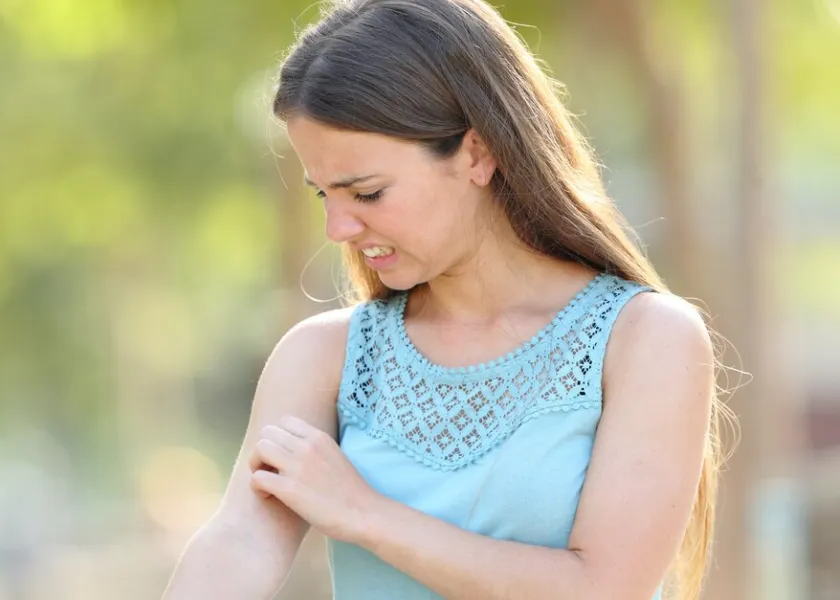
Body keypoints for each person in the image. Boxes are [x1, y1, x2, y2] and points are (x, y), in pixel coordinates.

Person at [162, 0, 727, 598]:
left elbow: (604, 590)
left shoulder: (645, 339)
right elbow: (240, 541)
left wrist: (366, 513)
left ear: (477, 154)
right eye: (323, 194)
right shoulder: (323, 356)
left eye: (367, 193)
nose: (337, 229)